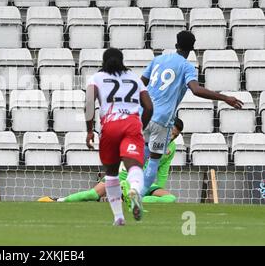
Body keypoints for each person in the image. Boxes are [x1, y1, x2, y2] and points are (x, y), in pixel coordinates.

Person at [140, 30, 243, 197]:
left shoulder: (157, 60)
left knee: (138, 155)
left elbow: (140, 84)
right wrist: (224, 97)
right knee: (154, 161)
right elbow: (195, 89)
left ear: (176, 44)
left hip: (143, 114)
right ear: (192, 48)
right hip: (162, 119)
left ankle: (125, 186)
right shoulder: (186, 66)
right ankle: (137, 195)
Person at [38, 118, 184, 205]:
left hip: (145, 182)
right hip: (123, 175)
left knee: (170, 198)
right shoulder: (145, 136)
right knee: (92, 195)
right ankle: (57, 200)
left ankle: (132, 198)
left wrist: (154, 189)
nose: (171, 137)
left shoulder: (171, 148)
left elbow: (163, 171)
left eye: (175, 136)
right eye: (171, 132)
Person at [82, 48, 154, 226]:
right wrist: (139, 126)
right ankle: (136, 190)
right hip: (131, 123)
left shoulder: (97, 78)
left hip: (110, 126)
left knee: (112, 174)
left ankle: (118, 217)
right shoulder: (133, 77)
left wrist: (90, 130)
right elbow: (149, 107)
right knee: (134, 166)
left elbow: (89, 103)